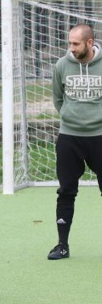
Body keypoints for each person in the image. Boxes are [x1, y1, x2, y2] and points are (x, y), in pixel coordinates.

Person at [48, 23, 102, 260]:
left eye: (75, 43)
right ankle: (62, 245)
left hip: (99, 137)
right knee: (66, 191)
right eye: (69, 43)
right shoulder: (62, 65)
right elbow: (58, 99)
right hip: (69, 137)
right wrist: (71, 118)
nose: (71, 48)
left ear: (90, 43)